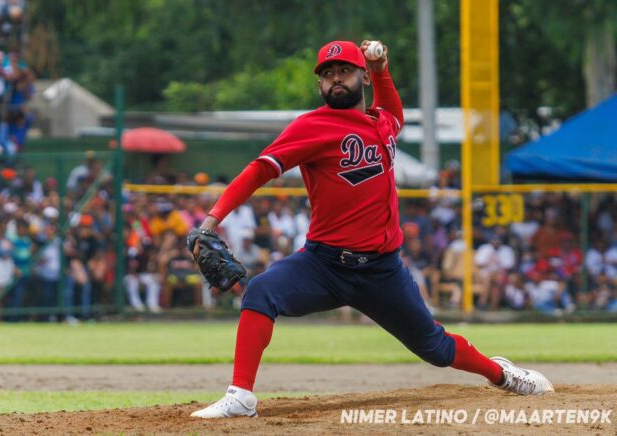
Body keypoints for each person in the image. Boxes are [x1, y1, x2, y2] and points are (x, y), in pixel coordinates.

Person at [189, 40, 553, 419]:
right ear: (320, 85)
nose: (335, 79)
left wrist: (381, 70)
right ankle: (241, 395)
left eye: (344, 71)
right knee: (261, 291)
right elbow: (259, 169)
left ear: (361, 77)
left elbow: (393, 111)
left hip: (382, 271)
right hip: (323, 265)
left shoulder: (382, 122)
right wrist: (211, 221)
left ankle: (502, 374)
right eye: (327, 74)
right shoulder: (311, 126)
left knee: (436, 348)